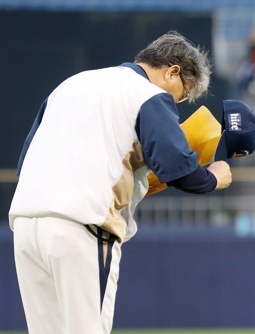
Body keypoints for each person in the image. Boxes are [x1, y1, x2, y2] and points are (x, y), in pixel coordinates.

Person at [9, 31, 233, 334]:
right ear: (172, 71)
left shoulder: (71, 84)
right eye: (181, 94)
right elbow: (178, 169)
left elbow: (26, 160)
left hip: (25, 223)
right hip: (81, 227)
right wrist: (214, 178)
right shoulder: (148, 94)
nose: (175, 103)